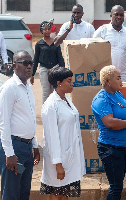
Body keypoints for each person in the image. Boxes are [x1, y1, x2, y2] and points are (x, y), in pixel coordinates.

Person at [91, 65, 126, 200]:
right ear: (107, 82)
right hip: (111, 148)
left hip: (122, 147)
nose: (121, 80)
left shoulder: (117, 94)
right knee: (116, 188)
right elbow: (110, 123)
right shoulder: (101, 99)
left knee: (118, 186)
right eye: (117, 78)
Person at [0, 50, 40, 200]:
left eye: (31, 63)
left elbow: (30, 118)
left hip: (26, 147)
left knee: (23, 193)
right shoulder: (9, 88)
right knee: (11, 194)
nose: (29, 66)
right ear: (14, 65)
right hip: (14, 147)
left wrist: (34, 145)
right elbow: (4, 122)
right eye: (25, 63)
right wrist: (9, 153)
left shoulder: (27, 86)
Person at [40, 67, 85, 199]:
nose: (72, 84)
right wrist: (58, 164)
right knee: (57, 192)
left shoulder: (66, 100)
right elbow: (51, 137)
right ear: (59, 83)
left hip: (69, 155)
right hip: (59, 158)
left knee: (63, 192)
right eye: (69, 81)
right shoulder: (51, 105)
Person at [93, 5, 126, 82]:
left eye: (121, 15)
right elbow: (92, 51)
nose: (119, 17)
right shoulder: (102, 31)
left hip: (122, 77)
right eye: (116, 14)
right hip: (105, 77)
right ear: (111, 16)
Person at [30, 21, 65, 103]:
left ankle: (54, 109)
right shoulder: (39, 44)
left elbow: (60, 58)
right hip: (44, 69)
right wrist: (32, 74)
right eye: (44, 29)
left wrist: (63, 72)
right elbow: (35, 59)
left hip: (55, 69)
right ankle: (45, 111)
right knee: (46, 92)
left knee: (54, 91)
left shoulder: (55, 43)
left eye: (48, 29)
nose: (47, 31)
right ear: (41, 31)